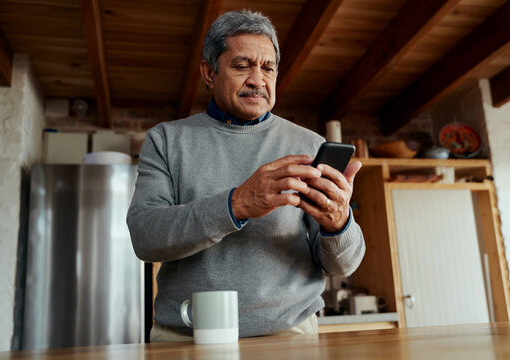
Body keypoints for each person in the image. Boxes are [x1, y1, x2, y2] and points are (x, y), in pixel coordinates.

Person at [127, 10, 365, 342]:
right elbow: (144, 236)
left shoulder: (310, 145)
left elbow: (345, 266)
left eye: (268, 68)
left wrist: (339, 224)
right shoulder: (166, 140)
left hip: (289, 336)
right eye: (242, 66)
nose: (257, 79)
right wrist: (236, 205)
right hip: (186, 335)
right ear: (209, 73)